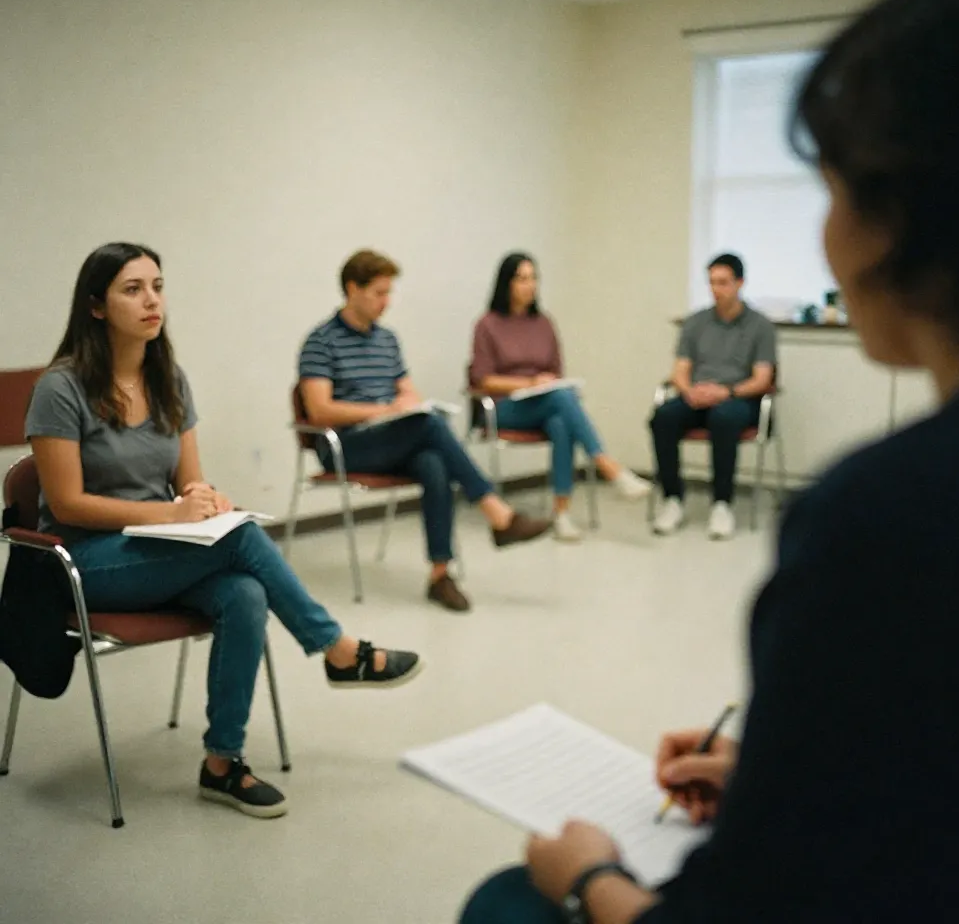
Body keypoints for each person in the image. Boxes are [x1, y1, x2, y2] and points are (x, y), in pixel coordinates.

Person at [459, 0, 959, 923]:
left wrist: (592, 874)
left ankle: (674, 491)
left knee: (509, 900)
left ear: (909, 216)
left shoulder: (891, 516)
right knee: (670, 411)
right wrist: (771, 773)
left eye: (837, 189)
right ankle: (650, 485)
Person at [24, 242, 422, 821]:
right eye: (132, 289)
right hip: (84, 561)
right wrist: (172, 515)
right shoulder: (61, 388)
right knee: (238, 544)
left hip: (157, 551)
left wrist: (203, 499)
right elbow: (66, 502)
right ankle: (336, 650)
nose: (152, 300)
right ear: (96, 307)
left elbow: (187, 479)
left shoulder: (169, 379)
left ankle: (221, 765)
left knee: (246, 593)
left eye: (157, 286)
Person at [298, 250, 550, 614]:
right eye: (379, 293)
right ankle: (496, 512)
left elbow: (406, 389)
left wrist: (409, 405)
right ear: (353, 289)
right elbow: (319, 409)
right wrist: (385, 410)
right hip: (344, 444)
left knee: (433, 460)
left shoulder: (387, 340)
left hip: (389, 437)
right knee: (429, 426)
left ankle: (440, 575)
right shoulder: (321, 341)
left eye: (389, 293)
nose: (387, 302)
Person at [470, 253, 650, 542]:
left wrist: (544, 384)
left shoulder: (543, 323)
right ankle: (607, 465)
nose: (530, 285)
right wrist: (528, 382)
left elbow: (556, 372)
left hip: (543, 402)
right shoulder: (487, 325)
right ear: (506, 283)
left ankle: (561, 514)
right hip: (502, 407)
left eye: (534, 278)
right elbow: (483, 378)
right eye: (522, 278)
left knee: (560, 420)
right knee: (561, 401)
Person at [649, 254, 776, 541]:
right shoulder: (695, 323)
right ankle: (672, 499)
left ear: (740, 283)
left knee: (724, 418)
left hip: (739, 398)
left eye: (723, 282)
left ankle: (722, 504)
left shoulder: (760, 326)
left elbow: (762, 379)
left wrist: (726, 392)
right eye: (711, 283)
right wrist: (688, 391)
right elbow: (680, 370)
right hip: (698, 396)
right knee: (663, 417)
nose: (716, 289)